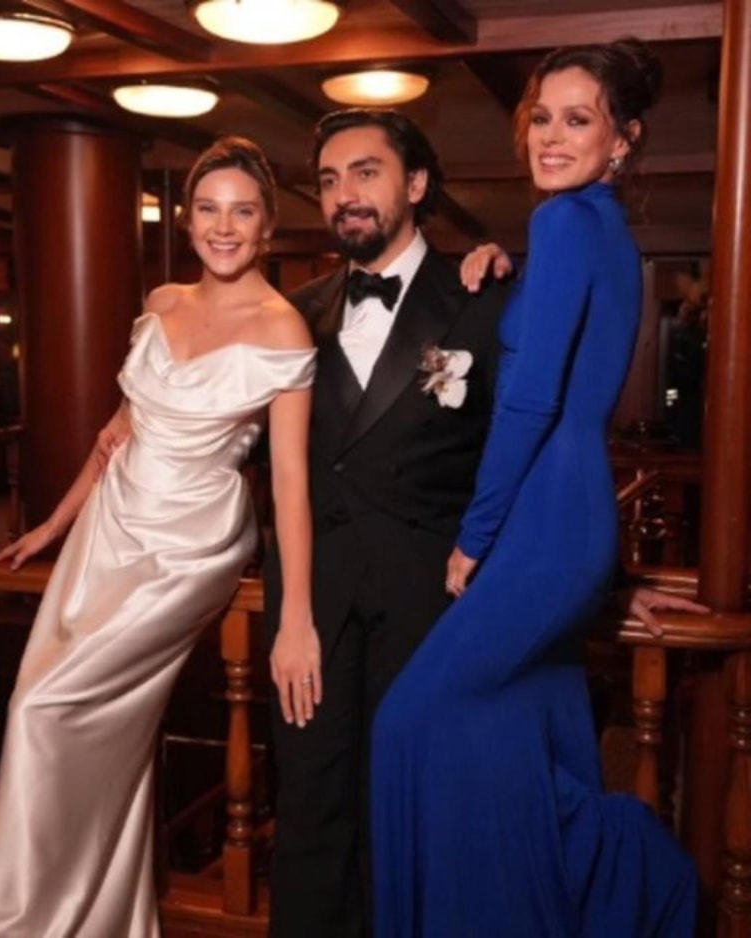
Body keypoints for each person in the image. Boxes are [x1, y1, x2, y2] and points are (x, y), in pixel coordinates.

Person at [263, 106, 703, 938]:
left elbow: (534, 443)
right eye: (328, 179)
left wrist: (605, 583)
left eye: (366, 172)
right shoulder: (291, 314)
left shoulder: (485, 295)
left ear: (416, 184)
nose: (345, 193)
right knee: (310, 809)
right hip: (312, 607)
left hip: (431, 599)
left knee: (414, 814)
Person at [0, 136, 317, 938]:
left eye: (243, 212)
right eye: (208, 210)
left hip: (192, 543)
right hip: (111, 523)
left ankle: (27, 918)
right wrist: (53, 523)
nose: (223, 227)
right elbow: (116, 432)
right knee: (47, 708)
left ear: (267, 227)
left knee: (47, 709)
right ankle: (95, 918)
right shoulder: (162, 302)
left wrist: (295, 616)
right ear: (187, 221)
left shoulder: (284, 330)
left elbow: (292, 485)